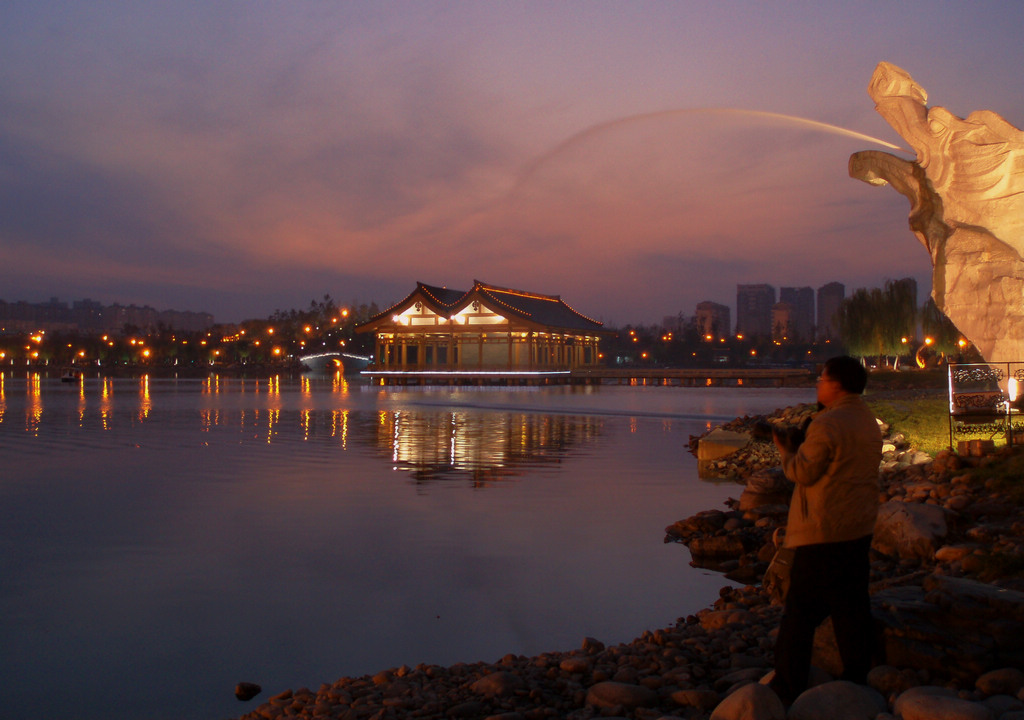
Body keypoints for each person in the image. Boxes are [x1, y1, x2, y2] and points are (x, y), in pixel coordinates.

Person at [769, 355, 882, 706]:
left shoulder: (828, 423)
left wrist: (787, 452)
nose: (817, 384)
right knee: (851, 605)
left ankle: (787, 686)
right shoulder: (866, 419)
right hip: (858, 525)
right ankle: (857, 676)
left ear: (836, 384)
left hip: (823, 529)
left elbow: (803, 474)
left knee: (799, 613)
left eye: (821, 379)